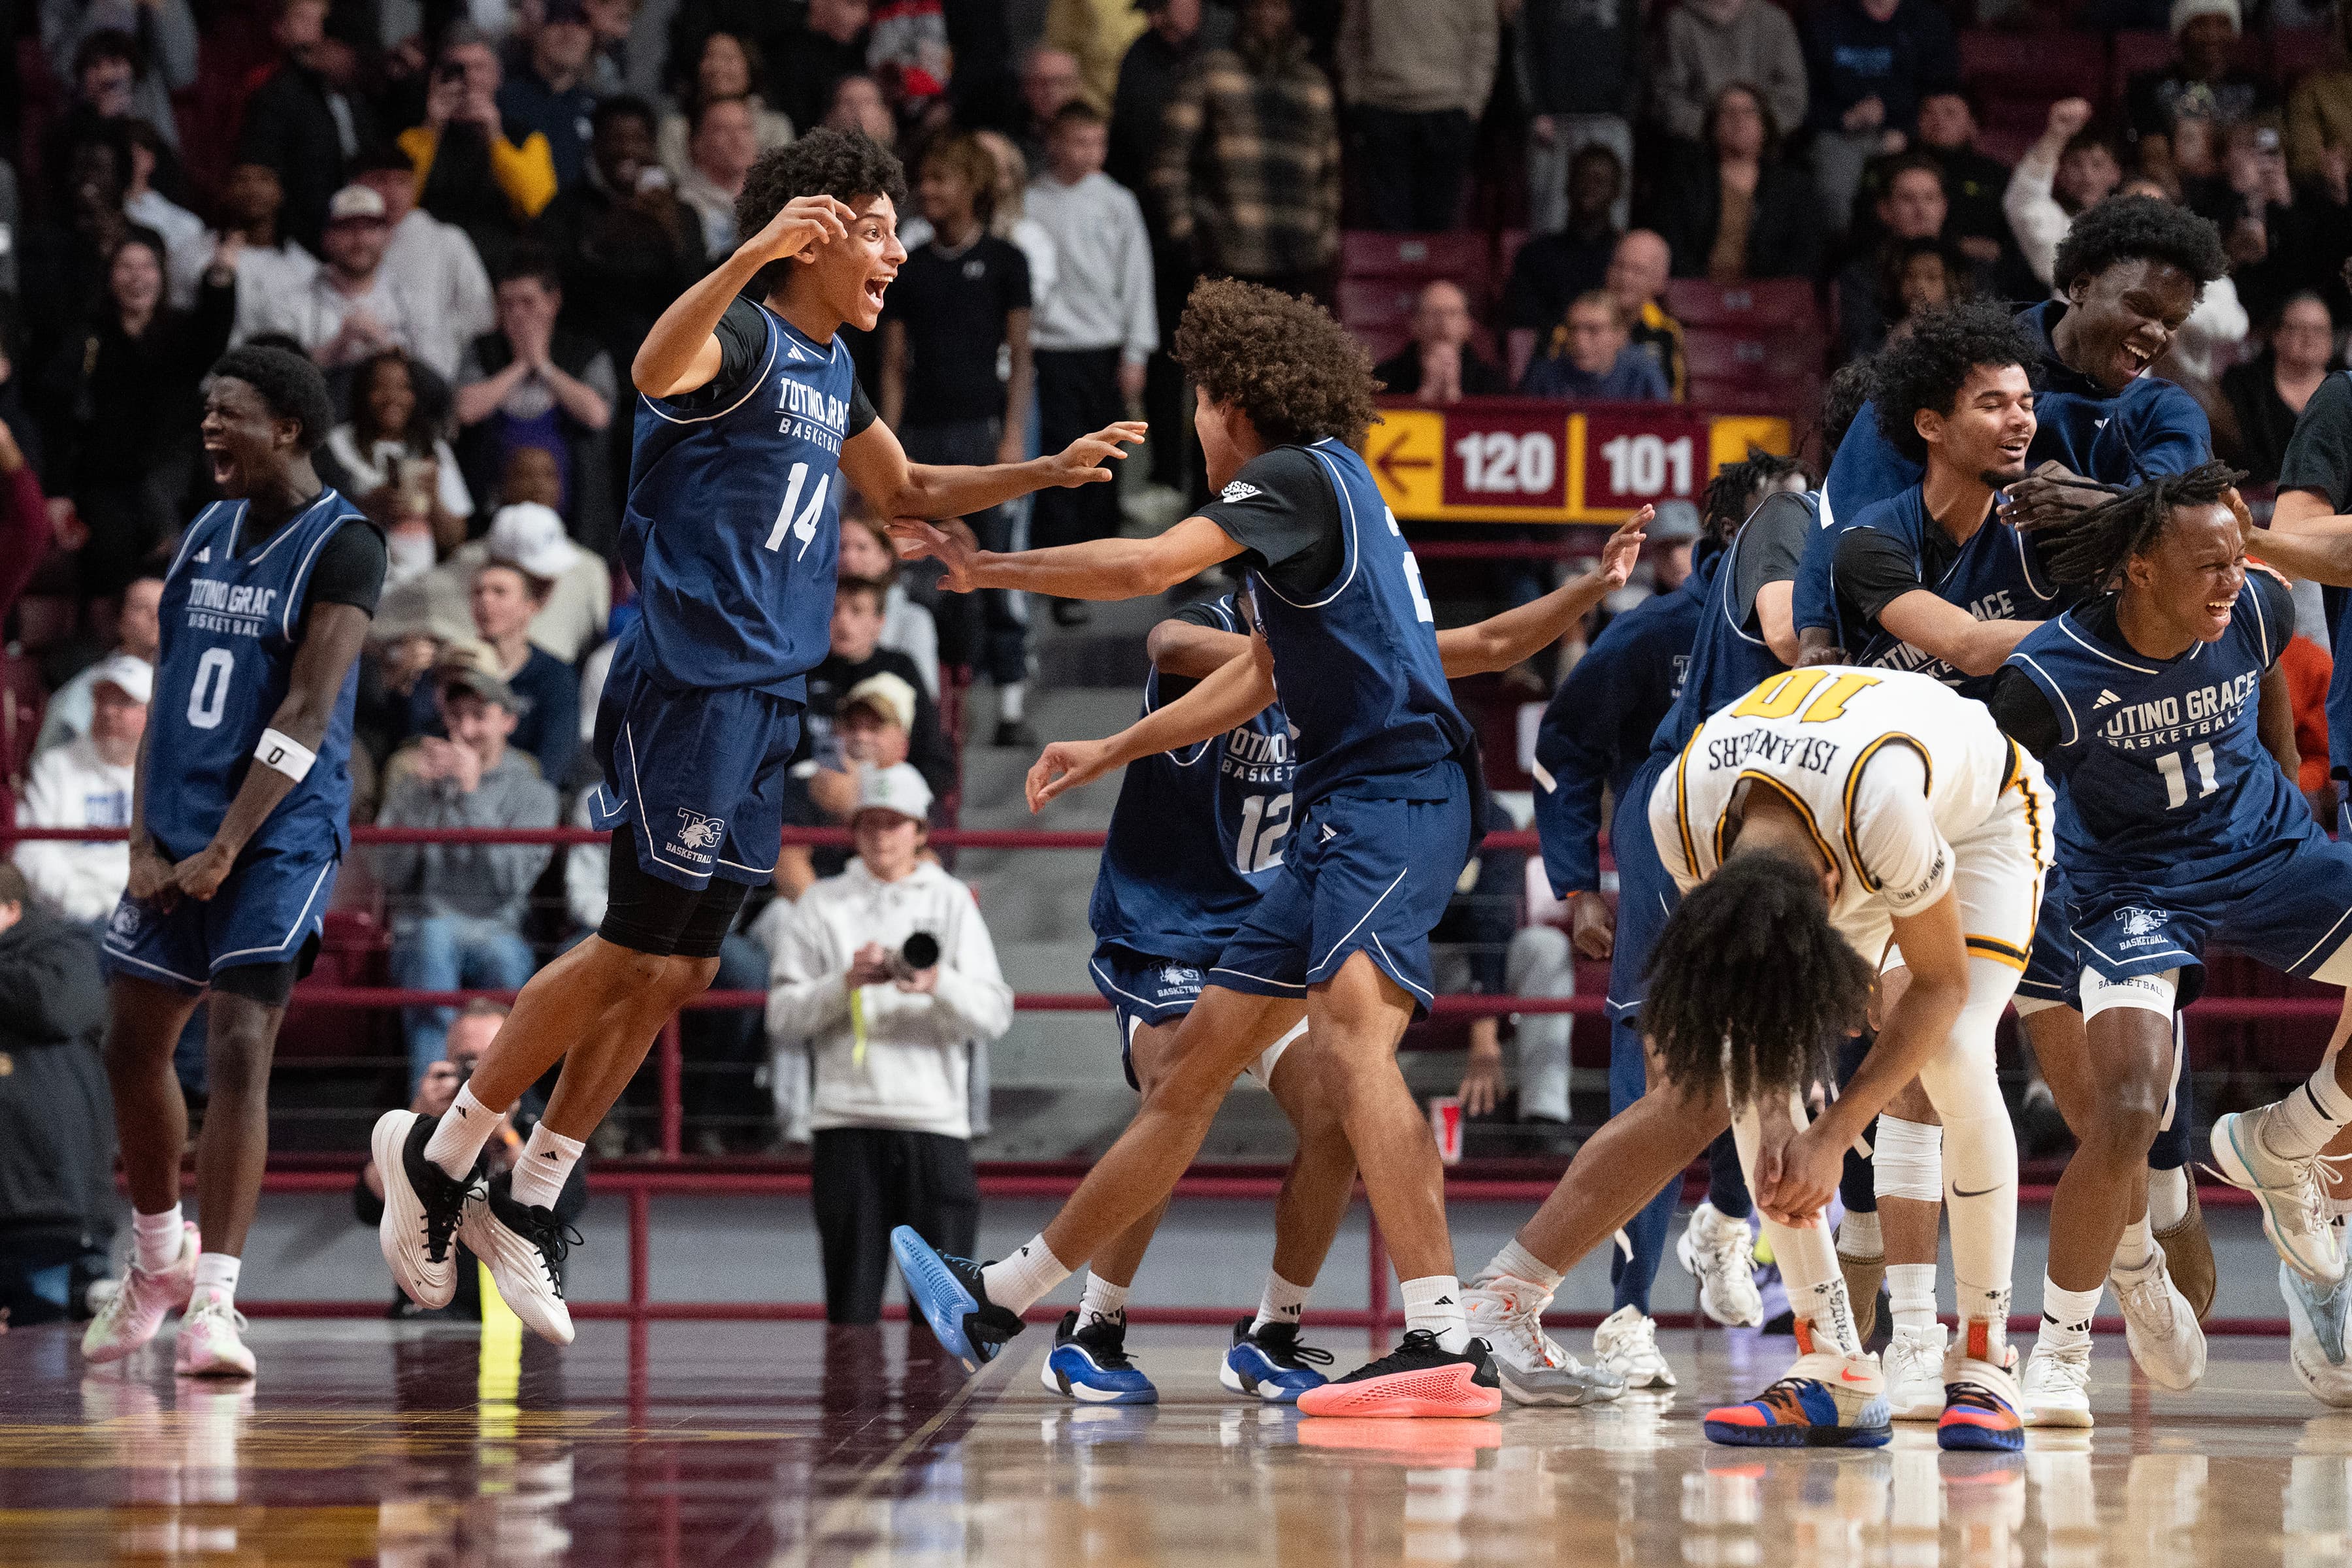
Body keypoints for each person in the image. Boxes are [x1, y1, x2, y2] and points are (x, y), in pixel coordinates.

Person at [369, 128, 1142, 1347]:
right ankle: (442, 1148)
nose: (895, 253)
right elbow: (651, 367)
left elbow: (906, 493)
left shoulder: (832, 367)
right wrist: (747, 255)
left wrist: (1045, 467)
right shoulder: (737, 333)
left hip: (768, 694)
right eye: (873, 231)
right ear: (810, 235)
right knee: (632, 942)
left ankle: (531, 1193)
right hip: (691, 679)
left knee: (681, 967)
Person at [887, 278, 1549, 1416]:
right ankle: (1008, 1296)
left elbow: (1145, 571)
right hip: (1340, 815)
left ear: (1235, 403)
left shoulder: (1290, 476)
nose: (1194, 423)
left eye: (1198, 401)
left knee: (1351, 1051)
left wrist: (994, 569)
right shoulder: (1317, 510)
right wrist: (1112, 748)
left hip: (1396, 794)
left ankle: (1443, 1337)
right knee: (1192, 1070)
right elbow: (1257, 680)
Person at [1056, 529, 1646, 1403]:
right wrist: (1300, 661)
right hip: (1166, 930)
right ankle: (1093, 1325)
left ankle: (1273, 1331)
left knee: (1337, 1111)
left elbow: (1488, 642)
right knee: (1180, 1087)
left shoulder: (1351, 657)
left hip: (1265, 931)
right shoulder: (1216, 629)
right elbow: (1166, 642)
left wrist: (1590, 586)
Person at [1993, 465, 2348, 1423]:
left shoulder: (2259, 606)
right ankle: (2061, 1353)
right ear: (2140, 569)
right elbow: (1991, 790)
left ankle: (2285, 1139)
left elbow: (2265, 671)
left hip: (2267, 851)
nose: (2232, 581)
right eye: (2209, 566)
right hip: (2134, 888)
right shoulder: (2050, 678)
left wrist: (2287, 772)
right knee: (2129, 1110)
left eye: (2237, 560)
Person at [83, 346, 386, 1379]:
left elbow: (306, 710)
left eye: (231, 412)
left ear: (289, 428)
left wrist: (229, 845)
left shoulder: (345, 544)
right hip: (180, 820)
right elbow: (166, 695)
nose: (210, 426)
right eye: (206, 409)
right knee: (129, 1042)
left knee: (242, 1044)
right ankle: (156, 1258)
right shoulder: (204, 531)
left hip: (279, 829)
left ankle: (215, 1301)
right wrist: (143, 837)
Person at [1527, 469, 1787, 1385]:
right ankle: (1627, 1315)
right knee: (1657, 1086)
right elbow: (1565, 747)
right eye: (1781, 515)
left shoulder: (1819, 621)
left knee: (1773, 1061)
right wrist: (1576, 883)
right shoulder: (1655, 632)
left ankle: (1726, 1222)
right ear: (1734, 533)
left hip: (1772, 854)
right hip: (1669, 848)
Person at [764, 764, 1011, 1324]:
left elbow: (995, 1012)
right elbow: (782, 1015)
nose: (881, 835)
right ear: (853, 830)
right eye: (870, 822)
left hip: (933, 1122)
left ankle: (937, 1388)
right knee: (850, 1311)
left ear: (920, 830)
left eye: (894, 822)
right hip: (846, 1120)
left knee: (946, 1316)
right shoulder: (821, 903)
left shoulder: (951, 901)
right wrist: (844, 984)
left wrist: (938, 983)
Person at [880, 133, 1037, 744]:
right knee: (920, 570)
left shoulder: (1007, 260)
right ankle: (938, 705)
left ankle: (1011, 706)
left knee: (994, 564)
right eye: (924, 180)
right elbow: (894, 364)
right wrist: (888, 447)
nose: (928, 191)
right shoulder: (908, 266)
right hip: (921, 438)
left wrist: (1013, 437)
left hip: (983, 436)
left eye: (941, 179)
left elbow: (1020, 358)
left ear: (973, 187)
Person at [377, 665, 559, 1094]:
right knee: (431, 943)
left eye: (479, 716)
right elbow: (389, 873)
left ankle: (511, 1106)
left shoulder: (535, 794)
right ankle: (430, 1109)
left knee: (506, 965)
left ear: (508, 722)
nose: (465, 730)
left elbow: (511, 882)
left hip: (499, 926)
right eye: (457, 716)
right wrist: (420, 798)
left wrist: (473, 794)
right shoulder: (418, 782)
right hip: (425, 924)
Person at [355, 1000, 587, 1318]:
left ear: (519, 1058)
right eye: (468, 1061)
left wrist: (504, 1136)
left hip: (523, 1314)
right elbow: (368, 1205)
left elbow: (563, 1207)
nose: (479, 1073)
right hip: (432, 1311)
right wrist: (417, 1121)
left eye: (491, 1060)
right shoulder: (426, 1120)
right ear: (448, 1060)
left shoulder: (546, 1120)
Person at [39, 227, 236, 598]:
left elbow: (214, 335)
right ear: (109, 276)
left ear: (161, 276)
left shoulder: (180, 333)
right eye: (126, 267)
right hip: (106, 488)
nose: (137, 277)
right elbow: (59, 421)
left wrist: (220, 276)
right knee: (110, 582)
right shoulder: (88, 337)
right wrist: (59, 491)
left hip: (173, 485)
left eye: (147, 266)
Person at [1026, 101, 1156, 625]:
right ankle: (1062, 577)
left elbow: (1137, 278)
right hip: (1050, 349)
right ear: (1055, 142)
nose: (1089, 153)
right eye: (1078, 141)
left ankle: (1102, 567)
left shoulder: (1117, 202)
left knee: (1105, 462)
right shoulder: (1031, 201)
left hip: (1103, 349)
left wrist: (1136, 352)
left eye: (1097, 143)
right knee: (1059, 462)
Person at [1152, 0, 1342, 301]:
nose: (1267, 14)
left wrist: (1325, 237)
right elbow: (1170, 162)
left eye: (1278, 6)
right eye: (1258, 6)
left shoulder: (1314, 83)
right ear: (1244, 12)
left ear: (1291, 13)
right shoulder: (1211, 71)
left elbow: (1330, 171)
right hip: (1228, 255)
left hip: (1300, 257)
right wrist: (1185, 231)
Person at [0, 863, 114, 1328]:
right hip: (24, 1199)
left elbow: (57, 1005)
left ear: (11, 909)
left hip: (50, 1205)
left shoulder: (66, 949)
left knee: (49, 1342)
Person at [534, 94, 713, 380]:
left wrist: (668, 228)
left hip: (662, 359)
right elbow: (561, 286)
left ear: (652, 146)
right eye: (616, 139)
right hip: (586, 360)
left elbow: (694, 292)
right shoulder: (565, 209)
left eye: (638, 139)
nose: (628, 149)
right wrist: (613, 229)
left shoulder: (681, 214)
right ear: (596, 145)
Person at [452, 252, 617, 543]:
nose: (517, 313)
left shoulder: (585, 353)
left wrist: (543, 366)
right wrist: (520, 366)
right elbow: (466, 411)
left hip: (577, 523)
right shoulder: (482, 351)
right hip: (491, 522)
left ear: (553, 302)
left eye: (528, 302)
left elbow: (597, 415)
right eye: (507, 304)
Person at [403, 550, 583, 782]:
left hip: (521, 789)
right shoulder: (450, 666)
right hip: (446, 780)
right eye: (478, 592)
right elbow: (418, 734)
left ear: (530, 606)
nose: (486, 600)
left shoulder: (555, 676)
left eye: (499, 592)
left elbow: (555, 759)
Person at [399, 24, 561, 264]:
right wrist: (432, 128)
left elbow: (537, 206)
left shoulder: (525, 137)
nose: (470, 79)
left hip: (502, 261)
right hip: (429, 260)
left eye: (479, 68)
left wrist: (495, 137)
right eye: (458, 69)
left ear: (498, 77)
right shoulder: (415, 133)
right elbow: (396, 204)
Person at [1335, 0, 1497, 233]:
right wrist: (1356, 97)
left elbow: (1484, 36)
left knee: (1439, 231)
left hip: (1448, 111)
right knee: (1388, 234)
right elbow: (1351, 36)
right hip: (1383, 108)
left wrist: (1472, 104)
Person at [234, 0, 378, 255]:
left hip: (356, 233)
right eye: (350, 52)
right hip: (301, 246)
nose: (355, 62)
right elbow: (263, 174)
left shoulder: (356, 98)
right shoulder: (278, 96)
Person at [1802, 0, 1959, 233]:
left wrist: (1906, 129)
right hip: (1839, 131)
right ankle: (1840, 249)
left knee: (1931, 182)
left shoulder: (1928, 21)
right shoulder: (1824, 22)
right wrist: (1844, 118)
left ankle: (1926, 250)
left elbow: (1942, 91)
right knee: (1833, 193)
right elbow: (1803, 99)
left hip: (1907, 131)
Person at [315, 349, 474, 577]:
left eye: (403, 388)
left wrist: (434, 500)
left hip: (421, 580)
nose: (392, 397)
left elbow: (455, 540)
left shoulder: (433, 449)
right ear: (363, 392)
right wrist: (369, 506)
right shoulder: (336, 446)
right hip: (358, 576)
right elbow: (319, 523)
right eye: (379, 387)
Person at [15, 654, 147, 926]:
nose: (108, 711)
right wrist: (84, 906)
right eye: (102, 700)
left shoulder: (166, 774)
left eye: (124, 702)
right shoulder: (56, 765)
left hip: (144, 913)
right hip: (67, 917)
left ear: (152, 711)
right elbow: (31, 850)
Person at [1645, 82, 1822, 283]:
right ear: (1714, 127)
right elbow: (1671, 245)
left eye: (1748, 112)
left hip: (1769, 295)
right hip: (1697, 291)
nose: (1739, 120)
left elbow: (1805, 254)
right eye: (1729, 112)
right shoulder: (1685, 181)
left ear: (1765, 126)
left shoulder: (1793, 187)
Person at [351, 147, 498, 389]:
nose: (393, 192)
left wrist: (443, 335)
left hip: (435, 378)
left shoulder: (446, 239)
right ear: (357, 185)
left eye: (402, 182)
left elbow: (483, 312)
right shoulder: (345, 246)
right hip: (366, 380)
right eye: (381, 181)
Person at [245, 184, 426, 372]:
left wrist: (386, 348)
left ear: (387, 236)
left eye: (370, 228)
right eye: (347, 228)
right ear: (327, 237)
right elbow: (278, 376)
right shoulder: (291, 304)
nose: (360, 239)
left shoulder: (409, 302)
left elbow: (430, 376)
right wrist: (336, 346)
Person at [2125, 0, 2277, 193]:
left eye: (2222, 24)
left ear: (2235, 32)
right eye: (2200, 24)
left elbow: (2270, 146)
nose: (2212, 35)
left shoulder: (2259, 87)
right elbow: (2154, 158)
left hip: (2245, 192)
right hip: (2177, 193)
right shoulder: (2149, 87)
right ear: (2181, 31)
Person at [1516, 0, 1637, 235]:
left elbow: (1636, 49)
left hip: (1609, 120)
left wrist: (1626, 110)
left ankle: (1611, 260)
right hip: (1555, 121)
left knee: (1612, 214)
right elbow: (1526, 47)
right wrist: (1536, 110)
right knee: (1550, 217)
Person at [1836, 157, 1959, 360]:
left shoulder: (1972, 268)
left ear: (1944, 207)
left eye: (1930, 198)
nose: (1921, 210)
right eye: (1908, 199)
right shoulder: (1862, 276)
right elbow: (1861, 354)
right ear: (1884, 210)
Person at [1503, 146, 1626, 348]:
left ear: (1616, 192)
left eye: (1599, 181)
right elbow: (1523, 323)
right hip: (1553, 354)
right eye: (1582, 178)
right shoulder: (1536, 255)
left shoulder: (1625, 257)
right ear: (1568, 185)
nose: (1589, 188)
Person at [1651, 0, 1808, 150]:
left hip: (1768, 148)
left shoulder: (1775, 22)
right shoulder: (1679, 23)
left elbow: (1792, 96)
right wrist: (1714, 129)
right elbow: (1667, 97)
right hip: (1694, 147)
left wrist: (1758, 130)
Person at [2005, 100, 2123, 293]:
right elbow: (2025, 200)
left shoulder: (2131, 229)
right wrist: (2056, 136)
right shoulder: (2060, 229)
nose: (2087, 176)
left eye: (2097, 164)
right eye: (2076, 164)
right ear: (2061, 173)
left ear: (2115, 173)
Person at [205, 162, 325, 351]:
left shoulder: (306, 267)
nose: (252, 189)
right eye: (242, 179)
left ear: (281, 192)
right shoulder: (196, 253)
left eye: (264, 179)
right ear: (226, 190)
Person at [37, 575, 161, 755]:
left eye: (164, 606)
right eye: (141, 607)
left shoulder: (183, 681)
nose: (156, 616)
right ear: (119, 621)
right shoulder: (90, 686)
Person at [2225, 292, 2338, 485]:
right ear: (2277, 335)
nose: (2309, 338)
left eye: (2319, 330)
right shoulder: (2245, 388)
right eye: (2298, 328)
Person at [656, 30, 795, 180]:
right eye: (710, 57)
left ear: (749, 66)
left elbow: (780, 178)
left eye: (728, 58)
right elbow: (674, 181)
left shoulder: (775, 127)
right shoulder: (676, 130)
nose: (717, 67)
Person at [497, 0, 603, 192]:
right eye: (558, 21)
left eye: (582, 24)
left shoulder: (598, 110)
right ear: (537, 30)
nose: (570, 33)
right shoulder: (503, 100)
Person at [840, 507, 939, 695]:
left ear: (886, 557)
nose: (849, 557)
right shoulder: (818, 612)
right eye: (842, 547)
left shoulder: (914, 620)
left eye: (862, 547)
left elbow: (924, 695)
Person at [1374, 280, 1507, 403]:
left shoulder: (1492, 383)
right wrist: (1427, 392)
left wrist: (1454, 394)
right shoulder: (1382, 379)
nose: (1443, 323)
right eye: (1434, 314)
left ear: (1467, 326)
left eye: (1453, 314)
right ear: (1416, 325)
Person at [1522, 293, 1670, 401]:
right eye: (1573, 329)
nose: (1580, 340)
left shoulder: (1643, 374)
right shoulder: (1544, 377)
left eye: (1593, 330)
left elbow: (1666, 424)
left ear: (1619, 335)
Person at [676, 95, 762, 259]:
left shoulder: (773, 196)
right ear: (697, 143)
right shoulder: (683, 204)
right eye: (722, 130)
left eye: (745, 128)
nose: (737, 139)